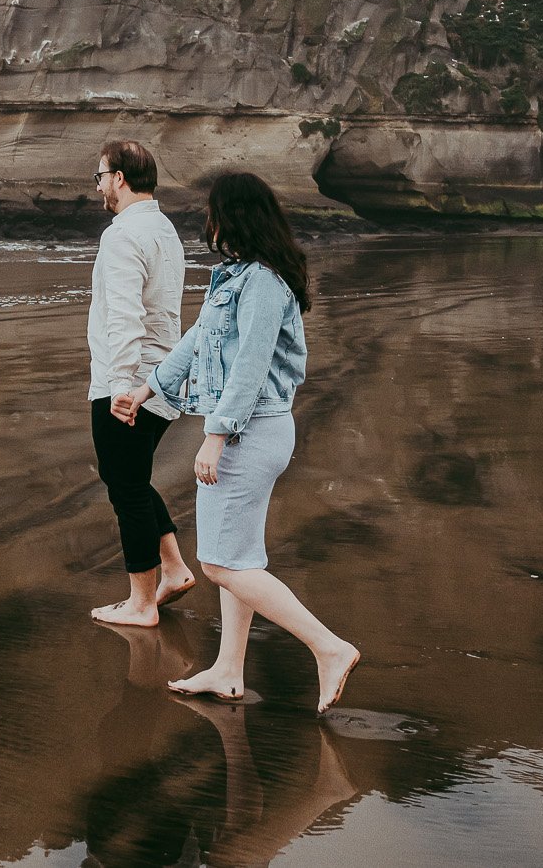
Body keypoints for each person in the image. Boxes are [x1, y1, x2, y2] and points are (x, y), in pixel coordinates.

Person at [113, 172, 360, 714]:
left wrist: (216, 438)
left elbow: (248, 369)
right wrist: (147, 388)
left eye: (215, 212)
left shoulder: (264, 284)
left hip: (252, 432)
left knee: (222, 565)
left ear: (236, 216)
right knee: (238, 556)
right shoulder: (237, 278)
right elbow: (195, 342)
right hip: (251, 431)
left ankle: (329, 648)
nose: (210, 221)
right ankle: (228, 670)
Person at [87, 139, 197, 628]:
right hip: (162, 376)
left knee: (125, 490)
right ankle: (172, 570)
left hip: (132, 380)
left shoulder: (123, 234)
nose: (98, 186)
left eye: (100, 176)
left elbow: (127, 315)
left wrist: (120, 387)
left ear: (120, 178)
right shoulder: (165, 230)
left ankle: (141, 602)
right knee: (129, 478)